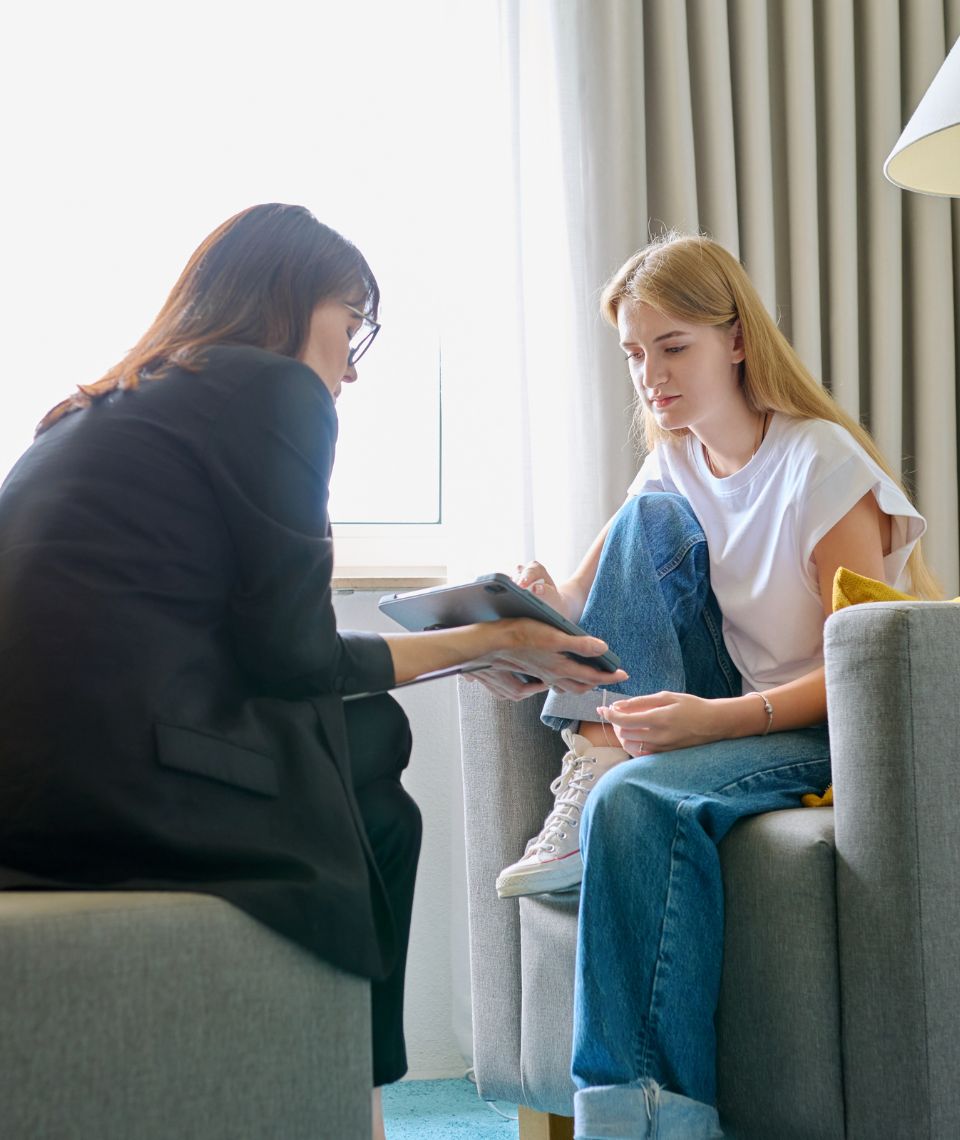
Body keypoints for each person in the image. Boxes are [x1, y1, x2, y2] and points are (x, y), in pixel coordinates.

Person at [0, 203, 626, 1140]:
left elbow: (229, 646)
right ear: (292, 302)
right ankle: (355, 1105)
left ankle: (346, 1094)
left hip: (31, 786)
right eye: (351, 323)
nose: (353, 364)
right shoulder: (269, 390)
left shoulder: (105, 403)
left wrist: (475, 648)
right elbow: (294, 656)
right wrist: (490, 642)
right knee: (372, 751)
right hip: (117, 785)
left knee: (359, 749)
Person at [488, 232, 934, 1139]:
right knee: (646, 521)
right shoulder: (674, 463)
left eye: (672, 346)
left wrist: (714, 722)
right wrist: (522, 623)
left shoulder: (822, 464)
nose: (650, 373)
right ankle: (595, 753)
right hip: (727, 708)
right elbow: (583, 599)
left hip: (820, 725)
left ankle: (647, 1115)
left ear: (736, 340)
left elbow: (861, 666)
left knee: (634, 806)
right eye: (634, 354)